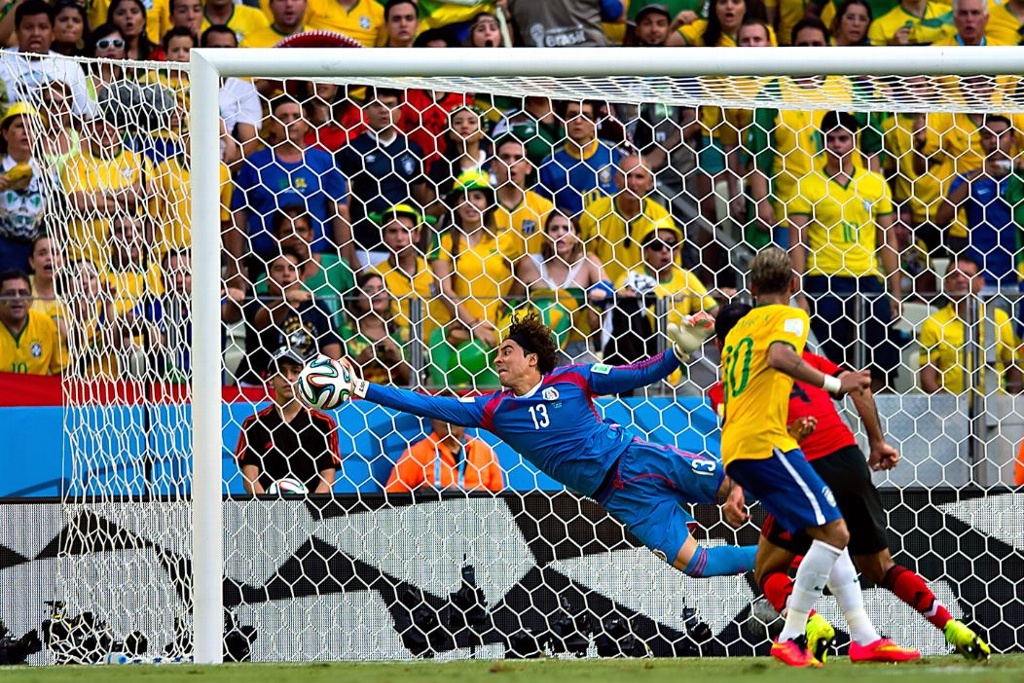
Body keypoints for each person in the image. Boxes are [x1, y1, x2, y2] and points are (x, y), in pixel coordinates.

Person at [322, 311, 759, 579]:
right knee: (696, 564)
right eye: (499, 353)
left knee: (743, 484)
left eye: (507, 351)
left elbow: (638, 374)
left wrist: (676, 354)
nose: (498, 359)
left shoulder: (575, 378)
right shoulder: (493, 410)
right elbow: (421, 401)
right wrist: (361, 386)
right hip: (617, 497)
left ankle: (816, 520)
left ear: (532, 359)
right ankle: (785, 557)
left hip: (637, 458)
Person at [711, 301, 991, 662]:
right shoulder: (806, 360)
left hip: (801, 464)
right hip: (848, 459)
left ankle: (805, 628)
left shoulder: (729, 384)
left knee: (769, 568)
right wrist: (877, 441)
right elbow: (858, 387)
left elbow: (745, 435)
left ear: (721, 346)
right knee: (876, 564)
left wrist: (736, 489)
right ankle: (948, 627)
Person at [718, 246, 918, 666]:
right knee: (836, 535)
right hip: (766, 443)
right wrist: (834, 384)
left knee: (832, 536)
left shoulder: (739, 330)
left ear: (751, 288)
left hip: (741, 446)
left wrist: (735, 481)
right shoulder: (788, 317)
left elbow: (741, 394)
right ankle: (791, 636)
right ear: (793, 285)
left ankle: (863, 637)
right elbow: (781, 356)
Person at [786, 111, 901, 392]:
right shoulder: (806, 185)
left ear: (855, 141)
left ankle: (880, 414)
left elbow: (888, 239)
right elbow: (797, 243)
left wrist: (895, 291)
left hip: (867, 276)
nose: (837, 145)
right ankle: (836, 420)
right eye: (831, 139)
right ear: (822, 142)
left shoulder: (874, 183)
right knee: (830, 359)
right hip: (825, 278)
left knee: (881, 358)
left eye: (843, 138)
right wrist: (799, 292)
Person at [228, 94, 352, 285]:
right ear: (273, 124)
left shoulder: (325, 162)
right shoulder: (255, 163)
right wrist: (235, 265)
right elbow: (239, 213)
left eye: (296, 116)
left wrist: (345, 261)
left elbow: (340, 212)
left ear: (307, 123)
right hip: (265, 261)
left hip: (316, 263)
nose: (290, 122)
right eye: (283, 117)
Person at [337, 87, 427, 268]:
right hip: (366, 247)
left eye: (390, 105)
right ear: (366, 110)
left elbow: (421, 203)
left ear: (400, 111)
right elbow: (343, 206)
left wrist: (421, 248)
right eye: (377, 105)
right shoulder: (351, 150)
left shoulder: (412, 149)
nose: (384, 110)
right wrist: (348, 252)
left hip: (405, 248)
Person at [935, 115, 1024, 293]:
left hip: (1020, 272)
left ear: (1013, 139)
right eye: (987, 136)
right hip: (983, 277)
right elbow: (941, 218)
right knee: (985, 321)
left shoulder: (1020, 177)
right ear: (980, 142)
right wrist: (973, 179)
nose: (993, 141)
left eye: (1000, 135)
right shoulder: (969, 179)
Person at [229, 248, 342, 386]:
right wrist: (285, 300)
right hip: (256, 384)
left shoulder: (316, 305)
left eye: (292, 268)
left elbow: (332, 353)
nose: (286, 274)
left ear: (302, 277)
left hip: (305, 385)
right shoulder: (257, 300)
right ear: (268, 279)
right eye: (279, 269)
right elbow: (261, 322)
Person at [235, 347, 340, 494]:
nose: (289, 377)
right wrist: (268, 509)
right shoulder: (253, 424)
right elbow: (250, 478)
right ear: (270, 378)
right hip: (266, 512)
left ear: (305, 378)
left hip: (312, 512)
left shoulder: (323, 423)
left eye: (296, 371)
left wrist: (309, 511)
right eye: (281, 372)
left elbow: (328, 477)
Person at [919, 256, 1022, 395]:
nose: (960, 279)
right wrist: (950, 408)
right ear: (946, 284)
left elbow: (1013, 367)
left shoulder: (999, 318)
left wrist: (1009, 406)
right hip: (950, 409)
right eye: (954, 275)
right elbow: (927, 379)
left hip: (995, 409)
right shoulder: (934, 323)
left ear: (981, 283)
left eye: (967, 275)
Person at [578, 152, 677, 285]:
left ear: (649, 183)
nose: (632, 183)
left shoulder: (660, 217)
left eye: (639, 177)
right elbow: (579, 264)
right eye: (627, 176)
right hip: (603, 297)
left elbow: (672, 269)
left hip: (649, 298)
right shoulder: (593, 214)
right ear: (616, 180)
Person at [0, 0, 93, 117]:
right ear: (17, 32)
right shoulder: (2, 62)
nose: (36, 33)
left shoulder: (70, 67)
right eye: (28, 28)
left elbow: (82, 115)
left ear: (53, 33)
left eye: (43, 27)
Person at [537, 99, 624, 217]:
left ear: (594, 123)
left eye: (585, 116)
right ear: (563, 122)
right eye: (572, 116)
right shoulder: (550, 164)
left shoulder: (612, 153)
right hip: (571, 231)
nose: (578, 121)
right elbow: (543, 208)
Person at [385, 411, 505, 493]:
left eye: (454, 413)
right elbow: (393, 497)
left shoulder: (485, 452)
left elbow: (499, 500)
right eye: (442, 413)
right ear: (432, 420)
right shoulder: (416, 454)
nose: (448, 420)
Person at [0, 102, 49, 273]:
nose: (27, 132)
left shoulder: (48, 173)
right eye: (20, 126)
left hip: (36, 254)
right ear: (5, 133)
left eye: (32, 127)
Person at [340, 272, 412, 387]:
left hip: (395, 399)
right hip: (358, 400)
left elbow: (416, 382)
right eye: (368, 290)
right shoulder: (344, 333)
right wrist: (359, 362)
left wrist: (397, 359)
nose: (376, 293)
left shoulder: (403, 334)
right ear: (356, 299)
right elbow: (336, 380)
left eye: (381, 289)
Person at [0, 268, 65, 375]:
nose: (17, 298)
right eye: (10, 294)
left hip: (36, 391)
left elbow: (61, 371)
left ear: (31, 300)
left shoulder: (46, 325)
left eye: (23, 293)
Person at [867, 0, 953, 44]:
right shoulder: (880, 26)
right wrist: (893, 49)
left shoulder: (952, 14)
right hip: (905, 77)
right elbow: (872, 74)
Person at [304, 0, 385, 46]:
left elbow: (381, 46)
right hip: (318, 63)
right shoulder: (312, 3)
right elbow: (297, 30)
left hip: (361, 68)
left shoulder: (378, 11)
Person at [240, 0, 307, 47]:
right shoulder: (250, 45)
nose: (289, 4)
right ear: (270, 5)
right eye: (281, 0)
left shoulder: (316, 39)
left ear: (305, 4)